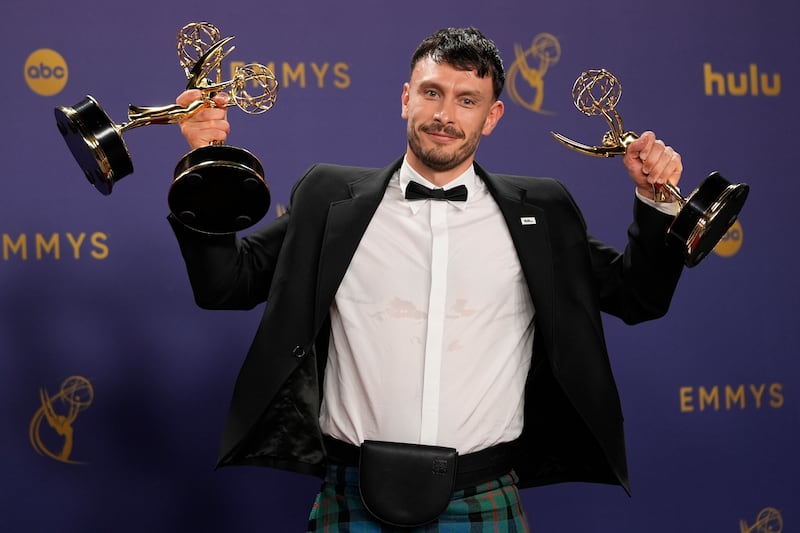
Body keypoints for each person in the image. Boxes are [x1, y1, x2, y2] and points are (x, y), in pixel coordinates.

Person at [170, 27, 685, 531]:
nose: (444, 115)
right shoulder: (330, 200)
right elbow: (226, 285)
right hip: (351, 491)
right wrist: (205, 159)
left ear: (492, 116)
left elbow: (637, 297)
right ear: (405, 98)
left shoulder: (544, 213)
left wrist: (658, 202)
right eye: (432, 92)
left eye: (467, 100)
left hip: (483, 492)